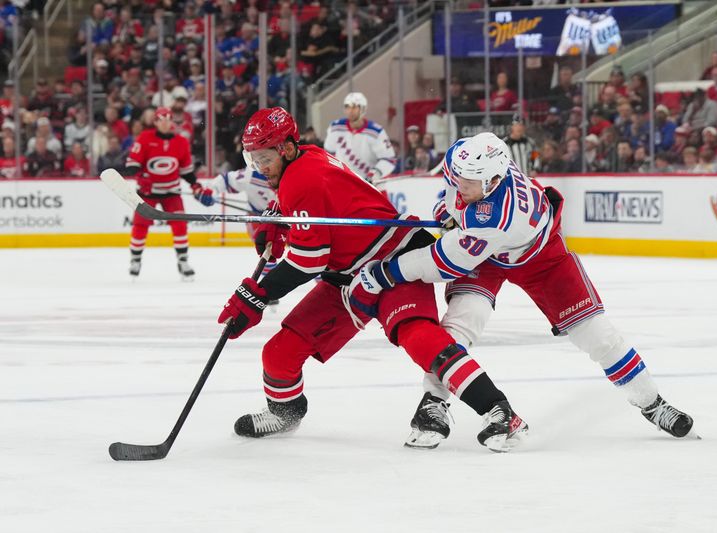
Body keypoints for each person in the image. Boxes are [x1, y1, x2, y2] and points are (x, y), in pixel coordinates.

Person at [347, 132, 695, 449]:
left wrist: (384, 273)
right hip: (488, 253)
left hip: (541, 257)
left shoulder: (499, 216)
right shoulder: (471, 159)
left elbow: (442, 263)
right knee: (461, 321)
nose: (459, 183)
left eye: (468, 181)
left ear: (494, 181)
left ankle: (653, 403)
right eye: (458, 176)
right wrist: (449, 207)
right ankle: (433, 404)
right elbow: (454, 189)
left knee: (599, 337)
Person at [220, 107, 528, 452]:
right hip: (349, 277)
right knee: (278, 353)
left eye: (264, 158)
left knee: (419, 337)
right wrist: (283, 222)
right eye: (253, 159)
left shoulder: (300, 177)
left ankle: (499, 410)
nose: (260, 168)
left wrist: (257, 295)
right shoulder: (304, 159)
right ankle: (285, 411)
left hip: (395, 258)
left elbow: (309, 261)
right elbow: (318, 214)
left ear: (287, 148)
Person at [122, 107, 203, 280]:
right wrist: (140, 175)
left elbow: (186, 170)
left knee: (180, 224)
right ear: (156, 122)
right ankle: (135, 260)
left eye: (168, 119)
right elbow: (132, 165)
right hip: (147, 193)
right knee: (140, 225)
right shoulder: (144, 138)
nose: (165, 123)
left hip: (171, 192)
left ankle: (183, 261)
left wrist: (195, 184)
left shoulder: (181, 142)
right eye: (161, 120)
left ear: (172, 122)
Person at [192, 166, 286, 277]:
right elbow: (226, 180)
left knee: (306, 251)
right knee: (266, 253)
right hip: (259, 218)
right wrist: (210, 192)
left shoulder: (293, 171)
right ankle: (271, 281)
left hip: (291, 215)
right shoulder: (251, 175)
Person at [323, 92, 396, 183]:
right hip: (342, 182)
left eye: (354, 107)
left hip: (368, 185)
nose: (350, 111)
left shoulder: (376, 132)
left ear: (363, 109)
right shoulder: (335, 128)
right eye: (347, 107)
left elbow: (389, 160)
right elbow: (327, 154)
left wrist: (374, 174)